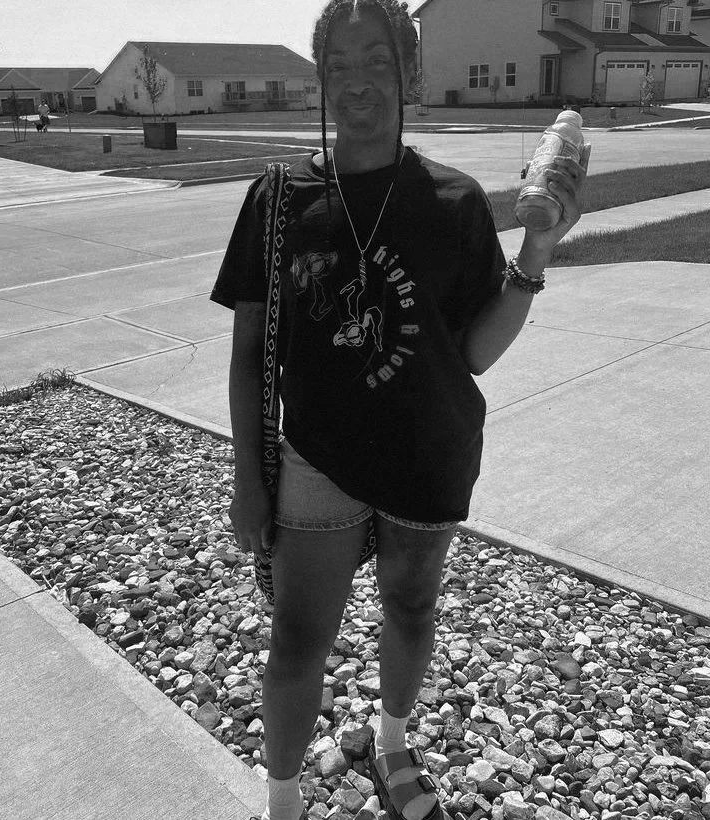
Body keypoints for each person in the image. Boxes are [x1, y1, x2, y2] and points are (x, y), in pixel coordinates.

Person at [210, 2, 586, 819]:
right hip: (316, 458)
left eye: (375, 60)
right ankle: (281, 802)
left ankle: (391, 741)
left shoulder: (450, 203)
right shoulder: (278, 202)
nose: (357, 82)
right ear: (322, 79)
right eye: (338, 65)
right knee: (297, 642)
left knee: (412, 606)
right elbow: (247, 354)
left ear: (407, 71)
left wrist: (538, 251)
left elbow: (473, 352)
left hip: (429, 451)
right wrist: (247, 475)